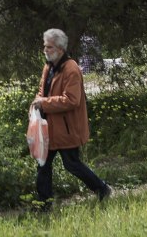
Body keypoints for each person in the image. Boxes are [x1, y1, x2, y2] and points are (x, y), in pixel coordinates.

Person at [33, 28, 111, 207]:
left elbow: (72, 100)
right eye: (45, 46)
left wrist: (44, 103)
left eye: (49, 47)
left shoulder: (71, 69)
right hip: (48, 127)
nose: (45, 50)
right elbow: (42, 92)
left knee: (72, 164)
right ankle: (44, 204)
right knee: (42, 164)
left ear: (60, 49)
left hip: (66, 129)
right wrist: (37, 102)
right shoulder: (48, 66)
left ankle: (102, 188)